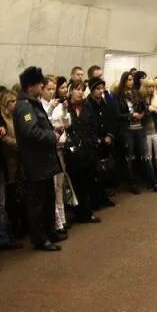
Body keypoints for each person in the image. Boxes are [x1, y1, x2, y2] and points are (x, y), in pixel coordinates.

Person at [13, 67, 64, 251]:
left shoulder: (32, 103)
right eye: (40, 84)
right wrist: (51, 136)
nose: (42, 87)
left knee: (48, 199)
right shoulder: (24, 107)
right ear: (31, 86)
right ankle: (40, 239)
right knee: (37, 203)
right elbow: (30, 132)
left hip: (44, 161)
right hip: (35, 163)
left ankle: (50, 232)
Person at [113, 71, 157, 194]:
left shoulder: (137, 93)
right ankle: (132, 183)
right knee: (129, 157)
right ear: (123, 81)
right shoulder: (118, 96)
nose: (130, 82)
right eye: (128, 80)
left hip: (139, 128)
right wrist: (131, 115)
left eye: (131, 79)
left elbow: (144, 107)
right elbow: (117, 114)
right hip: (127, 130)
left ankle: (154, 182)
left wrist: (142, 113)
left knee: (146, 156)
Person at [64, 80, 101, 223]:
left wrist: (93, 142)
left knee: (87, 182)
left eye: (82, 89)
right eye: (77, 89)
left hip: (88, 150)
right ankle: (77, 212)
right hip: (72, 151)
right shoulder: (65, 107)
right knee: (75, 183)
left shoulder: (87, 106)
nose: (80, 92)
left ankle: (87, 212)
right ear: (71, 90)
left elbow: (93, 126)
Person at [85, 77, 118, 206]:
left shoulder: (105, 104)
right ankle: (95, 199)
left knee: (105, 170)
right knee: (95, 172)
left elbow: (111, 120)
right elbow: (88, 124)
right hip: (95, 141)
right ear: (92, 90)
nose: (100, 91)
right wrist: (96, 139)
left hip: (106, 140)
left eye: (102, 88)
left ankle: (104, 197)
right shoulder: (88, 105)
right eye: (97, 89)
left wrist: (110, 135)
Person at [0, 90, 24, 249]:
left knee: (6, 201)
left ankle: (8, 235)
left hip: (16, 161)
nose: (16, 104)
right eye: (12, 101)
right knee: (7, 200)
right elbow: (5, 138)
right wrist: (19, 144)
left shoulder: (17, 117)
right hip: (9, 160)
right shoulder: (3, 119)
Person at [50, 77, 71, 232]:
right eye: (49, 88)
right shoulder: (47, 106)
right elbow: (50, 124)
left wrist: (64, 110)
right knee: (53, 187)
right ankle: (58, 222)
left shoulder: (62, 105)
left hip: (61, 148)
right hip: (51, 150)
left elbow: (66, 123)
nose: (64, 90)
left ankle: (62, 219)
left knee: (59, 186)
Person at [140, 78, 157, 189]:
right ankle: (151, 178)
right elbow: (138, 113)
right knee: (148, 157)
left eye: (152, 87)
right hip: (145, 132)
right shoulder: (140, 99)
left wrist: (155, 110)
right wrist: (147, 109)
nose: (151, 89)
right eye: (148, 87)